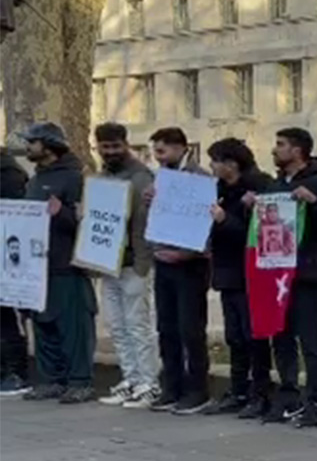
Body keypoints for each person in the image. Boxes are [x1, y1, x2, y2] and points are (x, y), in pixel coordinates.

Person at [257, 127, 317, 426]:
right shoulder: (274, 185)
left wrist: (315, 203)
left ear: (297, 150)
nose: (274, 150)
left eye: (280, 145)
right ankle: (289, 396)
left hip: (307, 271)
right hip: (277, 273)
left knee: (311, 341)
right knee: (281, 338)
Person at [19, 123, 95, 403]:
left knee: (72, 326)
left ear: (48, 146)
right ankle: (51, 378)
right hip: (38, 265)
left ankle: (79, 380)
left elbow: (85, 222)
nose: (27, 147)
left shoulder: (75, 178)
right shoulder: (36, 179)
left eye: (32, 142)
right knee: (43, 324)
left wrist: (62, 212)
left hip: (66, 265)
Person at [203, 138, 276, 417]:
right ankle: (238, 389)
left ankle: (260, 392)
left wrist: (225, 220)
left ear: (231, 164)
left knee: (253, 335)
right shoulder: (218, 190)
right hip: (227, 271)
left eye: (215, 161)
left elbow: (257, 233)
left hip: (251, 272)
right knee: (234, 335)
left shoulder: (258, 187)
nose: (212, 166)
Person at [91, 122, 159, 408]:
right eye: (105, 147)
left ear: (125, 144)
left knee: (137, 325)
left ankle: (149, 383)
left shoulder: (141, 177)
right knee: (117, 325)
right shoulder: (101, 177)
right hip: (110, 263)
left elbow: (146, 221)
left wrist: (144, 261)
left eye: (115, 146)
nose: (110, 152)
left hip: (134, 263)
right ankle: (131, 378)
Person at [144, 127, 211, 414]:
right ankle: (171, 386)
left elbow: (205, 221)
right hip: (163, 259)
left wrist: (188, 252)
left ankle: (197, 389)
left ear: (180, 148)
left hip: (190, 263)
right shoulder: (160, 178)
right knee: (166, 327)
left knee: (190, 328)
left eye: (162, 151)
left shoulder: (200, 178)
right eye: (155, 152)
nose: (158, 158)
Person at [0, 136, 33, 395]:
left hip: (7, 255)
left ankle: (15, 371)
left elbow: (15, 214)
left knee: (7, 318)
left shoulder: (9, 173)